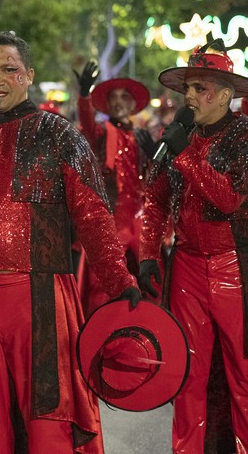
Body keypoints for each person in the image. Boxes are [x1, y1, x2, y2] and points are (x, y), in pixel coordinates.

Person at [0, 31, 139, 454]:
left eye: (9, 69)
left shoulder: (60, 135)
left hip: (41, 297)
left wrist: (120, 281)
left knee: (49, 419)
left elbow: (94, 216)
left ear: (28, 76)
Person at [138, 40, 248, 453]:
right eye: (187, 87)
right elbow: (154, 199)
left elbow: (228, 198)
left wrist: (186, 154)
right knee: (187, 372)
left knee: (246, 373)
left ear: (226, 95)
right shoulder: (177, 136)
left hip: (238, 265)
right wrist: (146, 253)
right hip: (188, 266)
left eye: (199, 87)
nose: (189, 96)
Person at [73, 63, 157, 315]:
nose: (119, 102)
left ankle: (150, 330)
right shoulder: (100, 133)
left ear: (133, 105)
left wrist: (156, 155)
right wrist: (84, 95)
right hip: (111, 218)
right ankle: (103, 331)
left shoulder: (143, 137)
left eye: (125, 97)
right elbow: (87, 122)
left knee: (151, 277)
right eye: (114, 97)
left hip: (139, 218)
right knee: (104, 281)